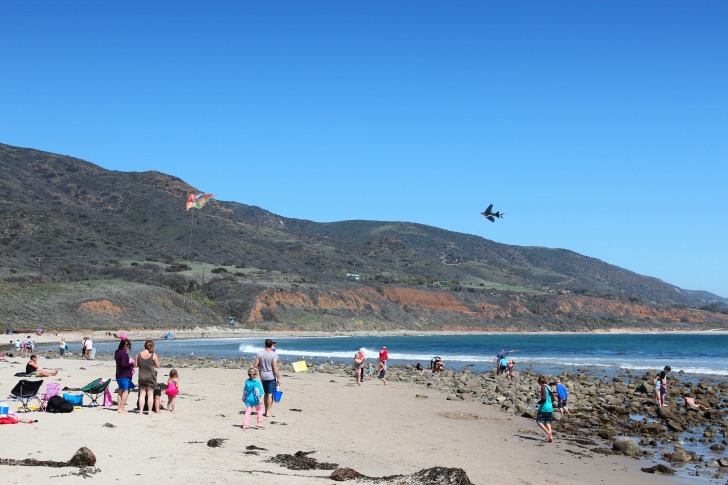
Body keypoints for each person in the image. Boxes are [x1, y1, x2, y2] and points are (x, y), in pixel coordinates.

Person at [253, 339, 280, 417]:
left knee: (266, 393)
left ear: (264, 344)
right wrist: (278, 377)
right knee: (270, 394)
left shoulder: (259, 353)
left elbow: (255, 365)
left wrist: (258, 369)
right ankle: (268, 412)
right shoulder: (273, 354)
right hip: (271, 376)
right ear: (271, 345)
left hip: (263, 376)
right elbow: (275, 368)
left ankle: (265, 410)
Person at [135, 340, 161, 415]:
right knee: (150, 394)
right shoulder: (153, 355)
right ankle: (149, 411)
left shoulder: (138, 354)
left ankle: (141, 411)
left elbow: (135, 365)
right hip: (151, 376)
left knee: (142, 394)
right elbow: (158, 366)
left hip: (142, 376)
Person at [115, 339, 134, 413]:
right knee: (126, 391)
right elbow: (123, 364)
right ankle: (121, 408)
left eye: (128, 345)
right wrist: (131, 364)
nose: (127, 347)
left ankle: (119, 407)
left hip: (118, 374)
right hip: (124, 375)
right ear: (122, 345)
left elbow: (120, 363)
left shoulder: (117, 352)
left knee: (120, 391)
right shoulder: (123, 353)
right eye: (126, 345)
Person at [536, 375, 554, 442]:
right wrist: (549, 403)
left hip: (544, 408)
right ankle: (551, 437)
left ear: (540, 382)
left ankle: (548, 433)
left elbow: (543, 398)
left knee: (539, 421)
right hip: (550, 408)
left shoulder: (543, 387)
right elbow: (553, 398)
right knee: (548, 422)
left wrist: (539, 402)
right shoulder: (549, 387)